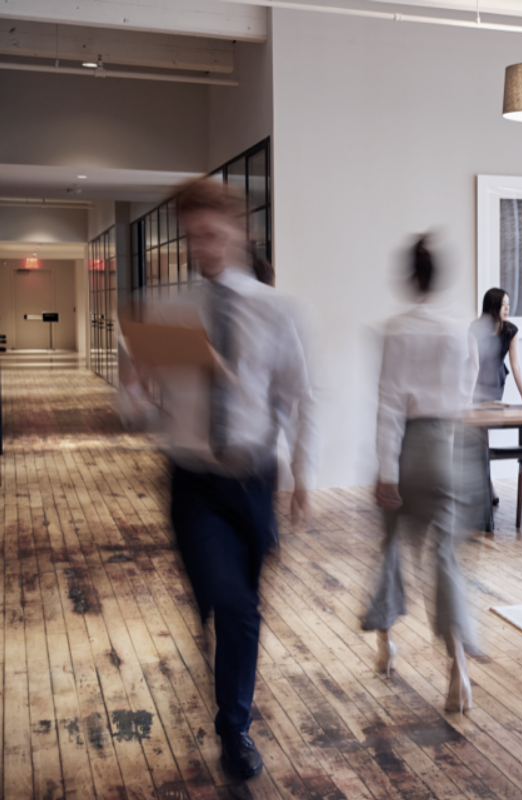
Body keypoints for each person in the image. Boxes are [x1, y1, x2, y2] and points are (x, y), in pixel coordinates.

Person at [129, 178, 317, 780]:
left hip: (253, 480)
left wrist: (304, 474)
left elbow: (298, 396)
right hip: (193, 479)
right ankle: (234, 729)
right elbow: (136, 411)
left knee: (240, 606)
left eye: (212, 234)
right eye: (193, 237)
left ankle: (231, 704)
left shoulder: (276, 308)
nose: (202, 247)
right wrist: (134, 388)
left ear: (241, 233)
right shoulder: (167, 308)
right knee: (232, 603)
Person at [370, 235, 480, 713]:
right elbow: (467, 390)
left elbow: (390, 404)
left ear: (410, 277)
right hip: (449, 448)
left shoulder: (396, 330)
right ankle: (457, 666)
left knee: (391, 547)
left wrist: (384, 470)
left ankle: (385, 645)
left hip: (410, 448)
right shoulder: (459, 332)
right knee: (445, 559)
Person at [469, 288, 522, 404]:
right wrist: (468, 397)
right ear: (492, 306)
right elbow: (474, 365)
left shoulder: (511, 331)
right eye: (503, 305)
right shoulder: (475, 328)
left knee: (491, 416)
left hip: (496, 378)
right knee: (473, 415)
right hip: (473, 378)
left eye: (508, 304)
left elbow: (516, 365)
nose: (507, 308)